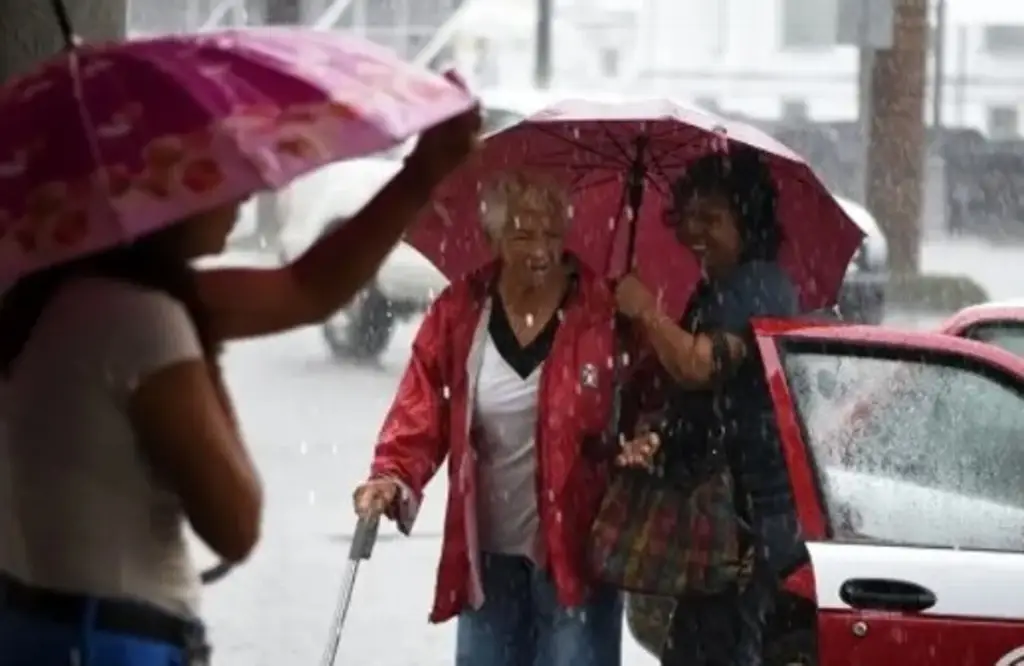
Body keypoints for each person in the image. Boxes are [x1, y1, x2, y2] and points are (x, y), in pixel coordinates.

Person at [0, 107, 479, 666]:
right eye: (219, 173)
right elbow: (235, 523)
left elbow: (305, 290)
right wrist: (202, 356)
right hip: (113, 640)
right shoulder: (145, 322)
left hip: (33, 624)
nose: (244, 195)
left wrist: (419, 176)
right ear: (164, 195)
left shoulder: (46, 299)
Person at [353, 171, 653, 666]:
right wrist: (392, 476)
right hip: (487, 557)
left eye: (552, 235)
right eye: (522, 235)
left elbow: (650, 397)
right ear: (492, 238)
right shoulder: (461, 311)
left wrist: (642, 439)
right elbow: (422, 406)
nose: (540, 250)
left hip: (577, 556)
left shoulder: (602, 311)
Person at [614, 147, 806, 666]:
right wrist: (658, 438)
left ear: (748, 218)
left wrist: (646, 313)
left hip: (752, 523)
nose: (695, 231)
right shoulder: (714, 287)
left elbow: (700, 366)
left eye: (711, 218)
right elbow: (701, 401)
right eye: (689, 217)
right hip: (714, 517)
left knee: (724, 652)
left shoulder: (760, 284)